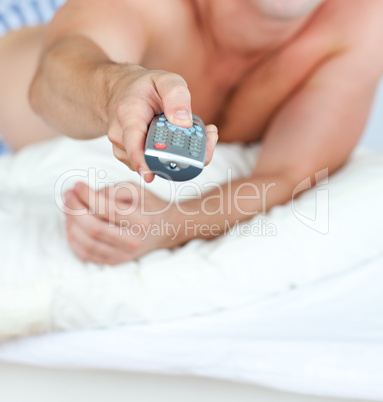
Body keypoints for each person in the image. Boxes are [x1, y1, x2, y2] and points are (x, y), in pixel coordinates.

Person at [0, 0, 382, 265]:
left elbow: (286, 176)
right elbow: (48, 86)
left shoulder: (360, 23)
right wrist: (115, 90)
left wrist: (171, 224)